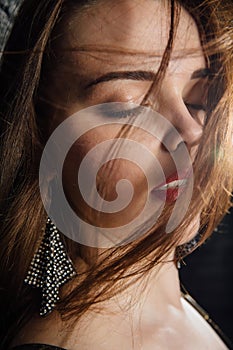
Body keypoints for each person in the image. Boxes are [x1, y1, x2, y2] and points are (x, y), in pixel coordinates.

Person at [0, 0, 232, 349]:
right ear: (38, 138)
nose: (191, 130)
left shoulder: (173, 311)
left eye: (198, 97)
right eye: (130, 106)